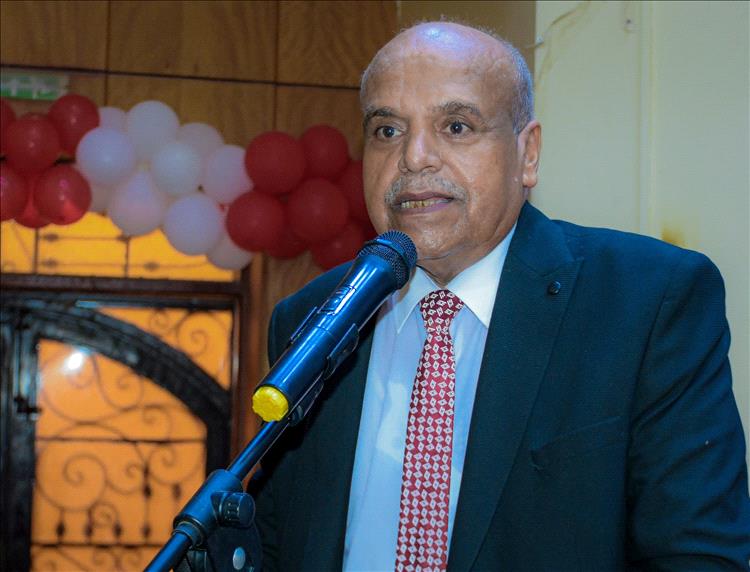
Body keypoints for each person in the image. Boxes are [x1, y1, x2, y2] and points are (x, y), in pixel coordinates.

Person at [251, 22, 750, 571]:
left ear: (527, 153)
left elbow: (699, 557)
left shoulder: (648, 303)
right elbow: (277, 544)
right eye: (387, 130)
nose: (414, 157)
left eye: (456, 126)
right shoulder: (313, 317)